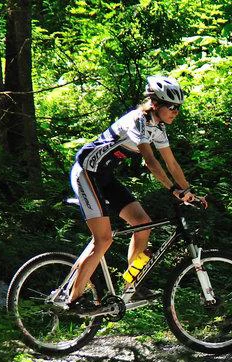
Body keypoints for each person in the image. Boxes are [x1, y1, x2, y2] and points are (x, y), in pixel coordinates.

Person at [66, 75, 206, 314]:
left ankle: (131, 283)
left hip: (104, 177)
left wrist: (189, 192)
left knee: (143, 223)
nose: (176, 112)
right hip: (86, 173)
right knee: (103, 239)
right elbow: (150, 161)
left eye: (178, 108)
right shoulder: (137, 120)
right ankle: (73, 300)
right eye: (172, 106)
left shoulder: (158, 128)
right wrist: (173, 190)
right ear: (155, 104)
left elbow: (171, 163)